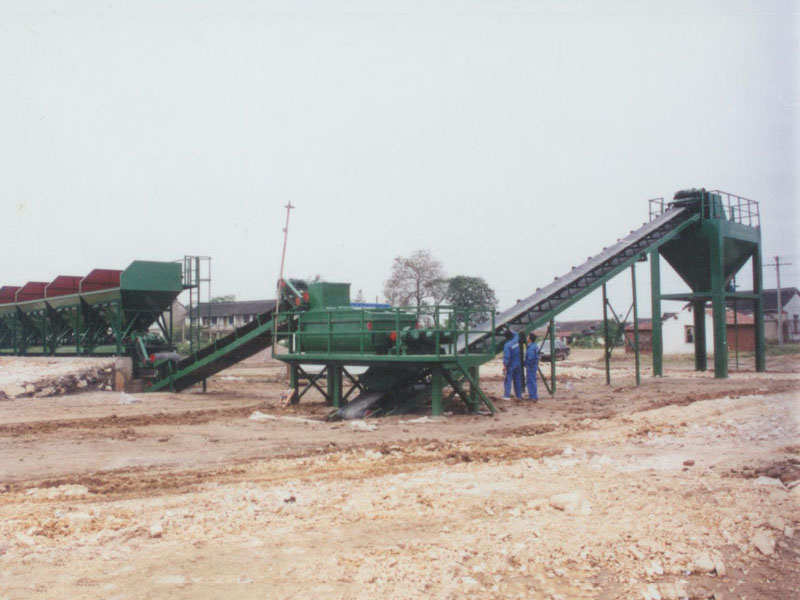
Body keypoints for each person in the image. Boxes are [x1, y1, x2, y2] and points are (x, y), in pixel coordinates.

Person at [502, 329, 522, 399]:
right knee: (517, 380)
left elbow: (506, 356)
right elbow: (516, 334)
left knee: (508, 379)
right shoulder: (516, 340)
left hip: (511, 364)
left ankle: (507, 395)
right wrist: (510, 330)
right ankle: (518, 396)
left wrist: (505, 365)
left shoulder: (507, 345)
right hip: (517, 363)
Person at [525, 332, 540, 401]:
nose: (527, 338)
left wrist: (527, 364)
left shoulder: (531, 347)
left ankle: (533, 397)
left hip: (531, 366)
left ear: (530, 339)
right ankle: (533, 396)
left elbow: (531, 357)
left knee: (531, 381)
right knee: (532, 381)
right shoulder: (534, 345)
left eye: (528, 337)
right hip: (534, 366)